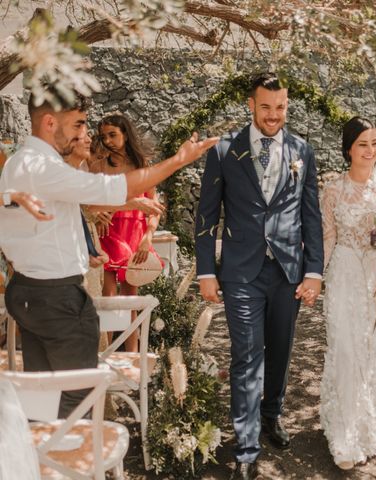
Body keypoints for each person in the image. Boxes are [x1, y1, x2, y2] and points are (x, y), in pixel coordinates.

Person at [0, 88, 217, 418]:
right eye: (78, 125)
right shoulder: (43, 167)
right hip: (57, 299)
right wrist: (178, 160)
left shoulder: (22, 162)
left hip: (29, 292)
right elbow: (112, 187)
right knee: (79, 401)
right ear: (49, 123)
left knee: (45, 397)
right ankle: (78, 462)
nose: (83, 135)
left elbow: (79, 203)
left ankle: (49, 460)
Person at [195, 72, 323, 480]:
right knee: (246, 356)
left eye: (281, 106)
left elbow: (311, 216)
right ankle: (246, 448)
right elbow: (206, 216)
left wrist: (315, 271)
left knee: (281, 350)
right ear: (251, 104)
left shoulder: (302, 150)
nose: (273, 115)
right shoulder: (224, 150)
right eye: (266, 107)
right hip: (240, 271)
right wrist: (205, 271)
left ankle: (271, 415)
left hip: (288, 270)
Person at [320, 117, 376, 470]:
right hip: (343, 273)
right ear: (348, 150)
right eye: (363, 145)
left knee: (375, 347)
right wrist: (313, 277)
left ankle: (369, 424)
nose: (371, 151)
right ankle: (344, 435)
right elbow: (327, 237)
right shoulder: (332, 190)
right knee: (344, 346)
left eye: (375, 143)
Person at [91, 114, 163, 352]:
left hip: (135, 232)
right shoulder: (100, 165)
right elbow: (90, 202)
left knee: (130, 297)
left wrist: (148, 237)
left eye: (113, 134)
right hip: (108, 232)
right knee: (108, 296)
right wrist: (97, 213)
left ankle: (132, 356)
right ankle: (105, 353)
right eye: (104, 136)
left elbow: (155, 208)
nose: (108, 141)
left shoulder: (143, 166)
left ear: (125, 133)